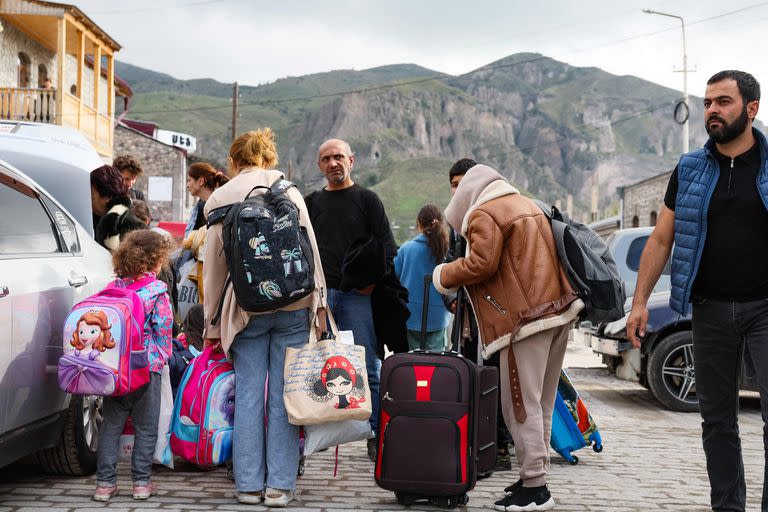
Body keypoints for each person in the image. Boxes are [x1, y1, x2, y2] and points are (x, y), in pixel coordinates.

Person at [626, 70, 768, 512]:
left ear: (751, 108)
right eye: (707, 102)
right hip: (708, 309)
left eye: (723, 102)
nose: (712, 110)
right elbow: (661, 239)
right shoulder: (689, 169)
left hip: (766, 309)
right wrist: (640, 301)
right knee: (717, 422)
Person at [432, 163, 583, 511]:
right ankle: (533, 477)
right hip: (556, 313)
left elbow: (480, 264)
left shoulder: (486, 212)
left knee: (518, 405)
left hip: (522, 323)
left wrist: (443, 274)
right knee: (541, 404)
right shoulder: (527, 204)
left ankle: (536, 489)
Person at [202, 128, 327, 507]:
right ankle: (280, 487)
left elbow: (214, 267)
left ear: (235, 159)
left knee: (250, 396)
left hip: (244, 310)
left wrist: (211, 324)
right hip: (293, 305)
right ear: (267, 157)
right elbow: (310, 251)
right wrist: (319, 304)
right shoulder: (289, 191)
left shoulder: (221, 197)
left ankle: (249, 486)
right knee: (284, 398)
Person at [304, 138, 398, 462]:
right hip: (319, 299)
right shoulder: (312, 203)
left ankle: (375, 433)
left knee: (367, 368)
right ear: (320, 165)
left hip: (357, 298)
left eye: (339, 157)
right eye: (327, 158)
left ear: (352, 160)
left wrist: (370, 285)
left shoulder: (367, 200)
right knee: (313, 369)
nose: (333, 163)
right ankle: (310, 439)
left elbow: (388, 247)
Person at [444, 157, 515, 473]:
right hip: (468, 322)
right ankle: (472, 443)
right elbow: (451, 261)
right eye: (454, 186)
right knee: (470, 378)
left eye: (462, 185)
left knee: (497, 381)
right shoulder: (455, 221)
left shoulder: (494, 214)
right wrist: (452, 299)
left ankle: (499, 446)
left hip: (498, 317)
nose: (458, 192)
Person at [92, 229, 174, 502]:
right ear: (155, 262)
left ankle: (104, 484)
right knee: (146, 428)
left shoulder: (115, 287)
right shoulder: (157, 290)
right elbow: (163, 331)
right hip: (145, 370)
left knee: (111, 426)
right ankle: (141, 483)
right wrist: (160, 360)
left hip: (115, 371)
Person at [394, 204, 451, 351]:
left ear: (419, 224)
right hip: (438, 317)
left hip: (410, 316)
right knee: (435, 365)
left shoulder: (406, 249)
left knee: (414, 365)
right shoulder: (446, 249)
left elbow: (393, 279)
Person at [90, 165, 146, 251]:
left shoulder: (135, 229)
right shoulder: (91, 220)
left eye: (92, 196)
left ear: (107, 196)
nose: (90, 201)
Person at [185, 161, 228, 238]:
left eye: (189, 180)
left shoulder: (218, 207)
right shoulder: (200, 207)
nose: (187, 185)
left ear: (201, 181)